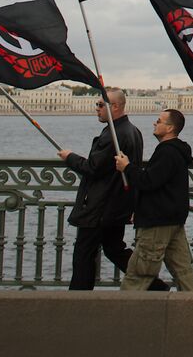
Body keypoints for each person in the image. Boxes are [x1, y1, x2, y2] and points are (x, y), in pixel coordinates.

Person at [58, 89, 165, 290]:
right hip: (118, 205)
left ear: (114, 106)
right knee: (115, 249)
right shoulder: (133, 131)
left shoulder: (114, 135)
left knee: (84, 253)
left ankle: (78, 299)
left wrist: (70, 157)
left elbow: (93, 168)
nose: (96, 109)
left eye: (100, 105)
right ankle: (155, 286)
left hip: (100, 206)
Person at [114, 109, 193, 291]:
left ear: (169, 128)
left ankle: (121, 315)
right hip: (173, 220)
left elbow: (149, 181)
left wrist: (127, 167)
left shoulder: (167, 152)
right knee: (183, 271)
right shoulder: (177, 151)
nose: (155, 123)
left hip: (157, 222)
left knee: (138, 273)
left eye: (159, 121)